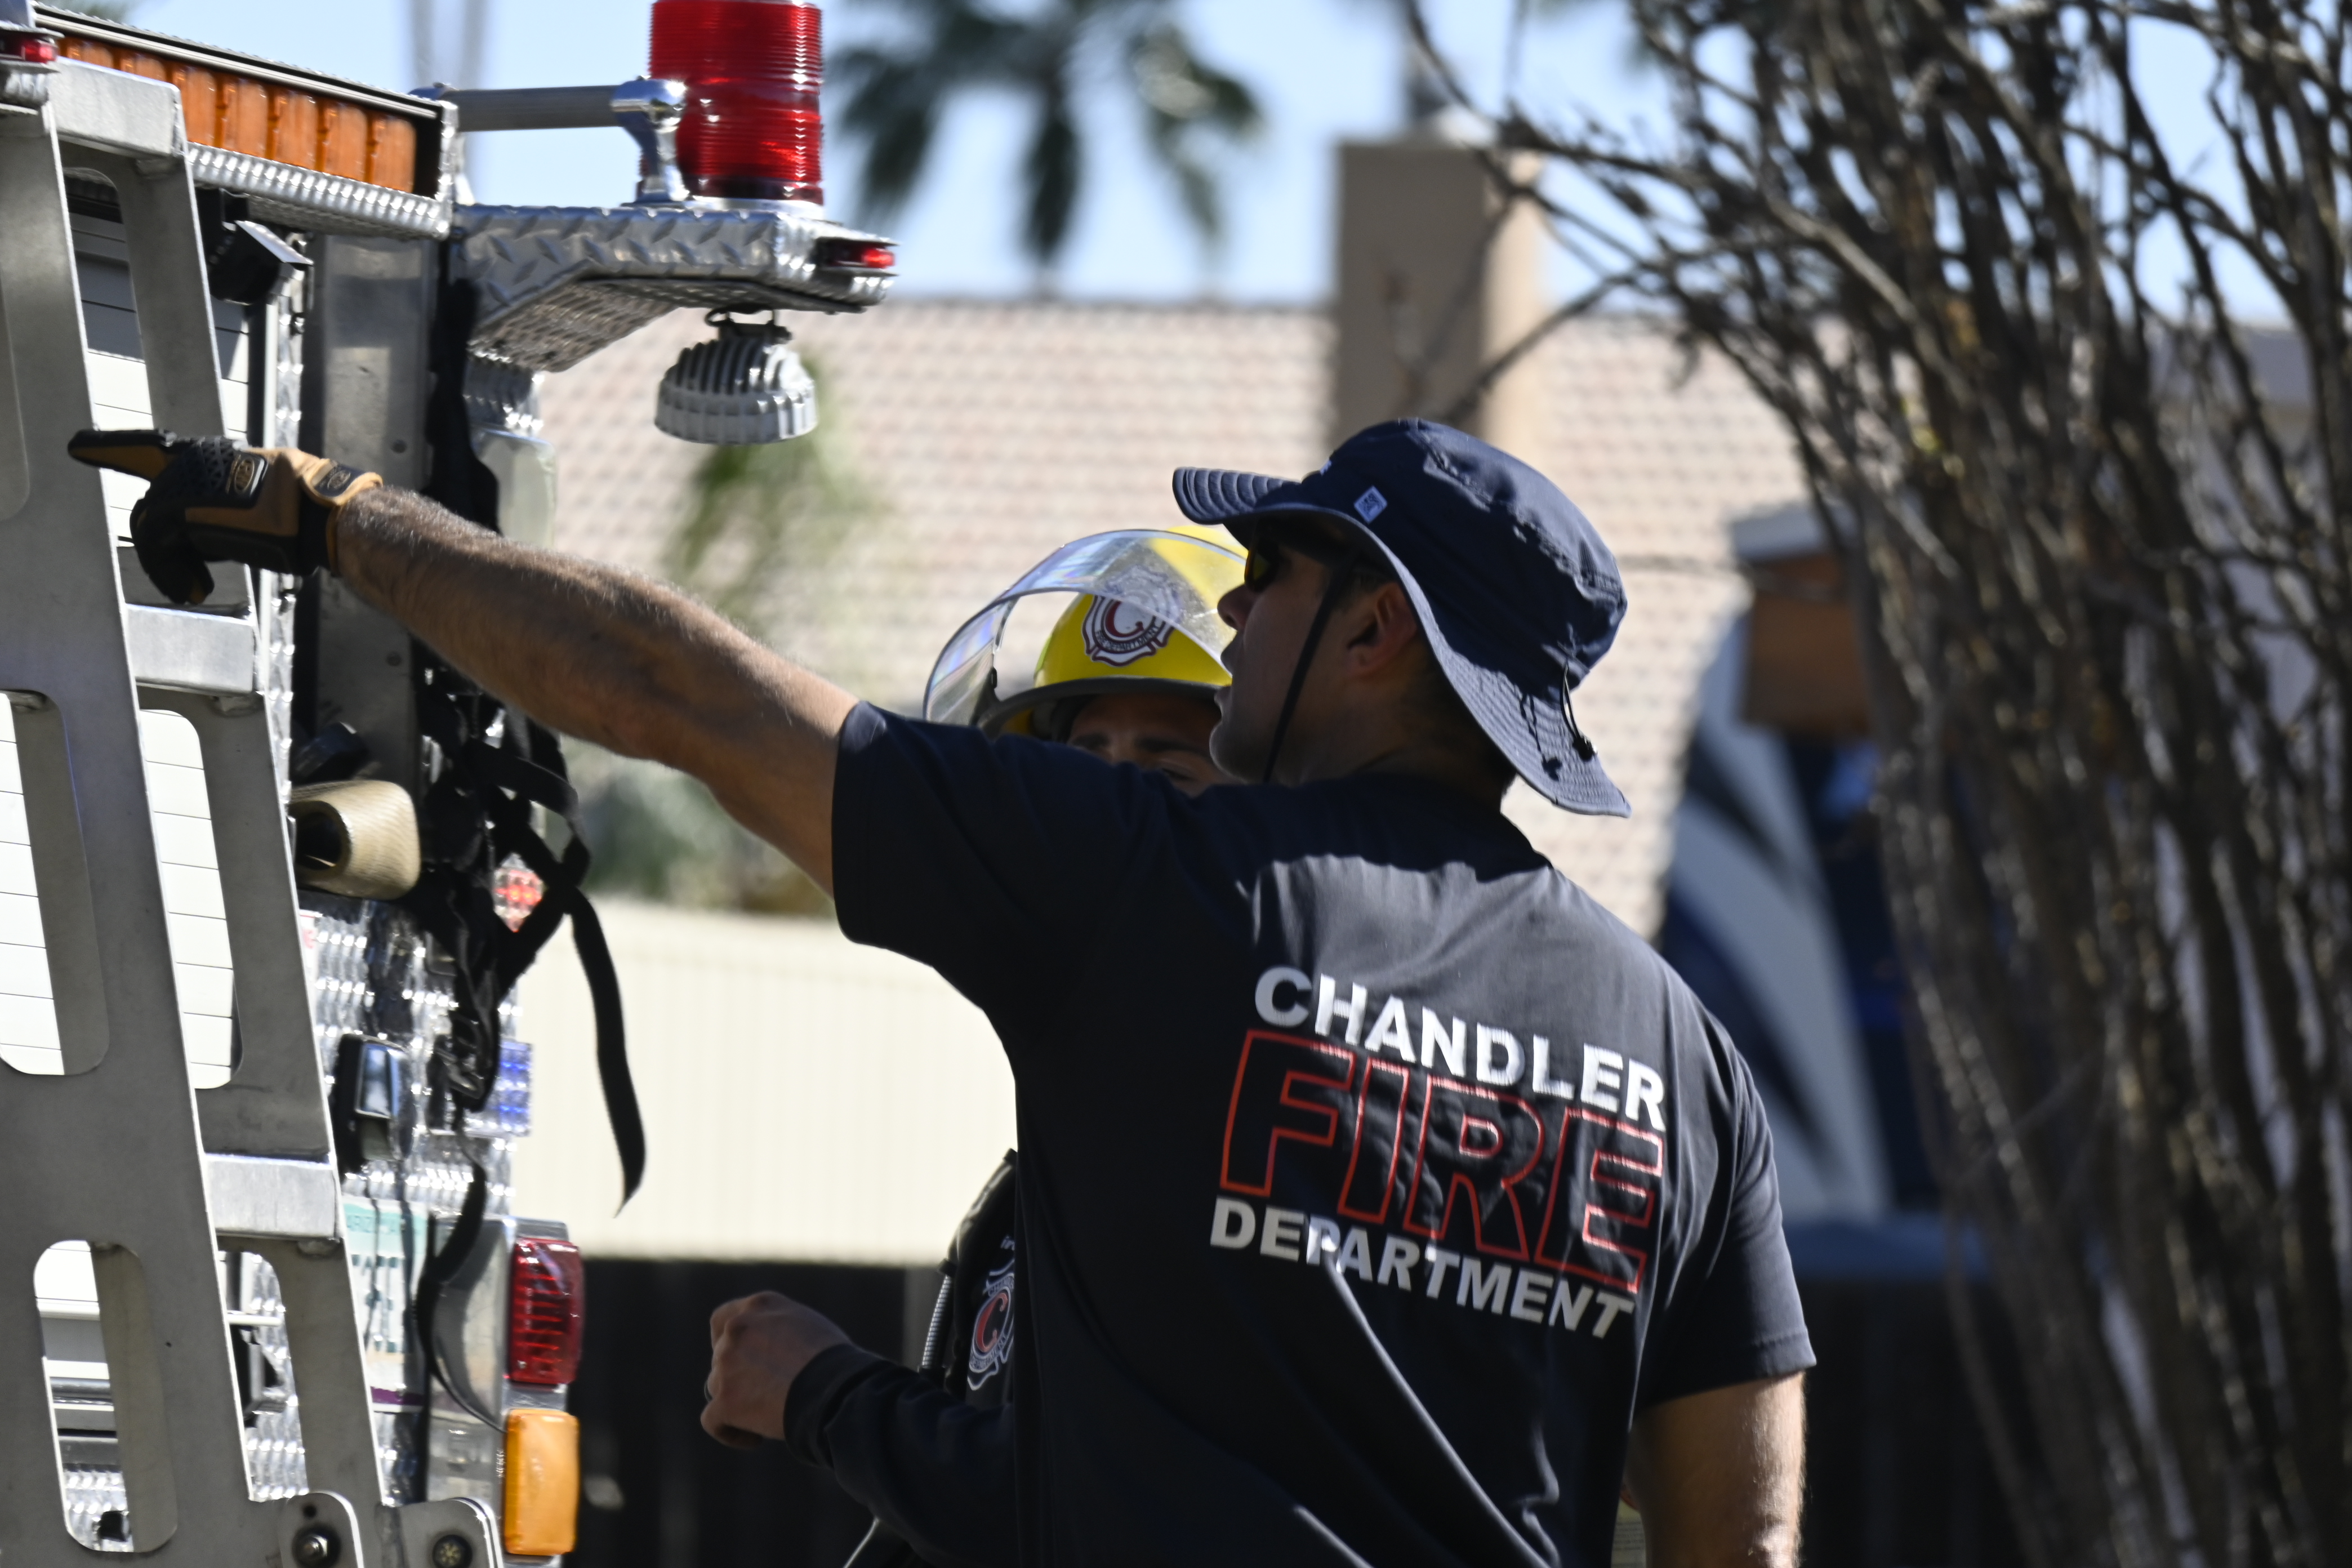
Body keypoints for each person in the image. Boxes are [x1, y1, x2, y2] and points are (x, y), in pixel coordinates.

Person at [73, 418, 1812, 1567]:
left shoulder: (1153, 886)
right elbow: (1742, 1537)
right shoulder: (1685, 1065)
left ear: (1377, 634)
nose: (1234, 621)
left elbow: (684, 692)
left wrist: (341, 519)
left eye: (1273, 576)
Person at [782, 532, 1245, 1568]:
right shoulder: (1055, 1164)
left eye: (1164, 770)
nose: (1103, 807)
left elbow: (1073, 1509)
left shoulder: (1247, 1150)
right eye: (1081, 763)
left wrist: (819, 1390)